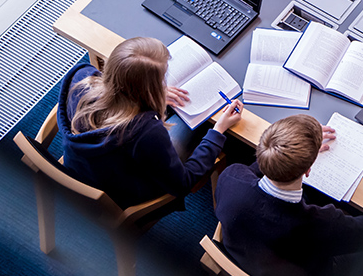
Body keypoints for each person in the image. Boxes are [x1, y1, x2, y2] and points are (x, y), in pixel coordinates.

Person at [215, 114, 363, 276]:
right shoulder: (320, 224)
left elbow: (255, 171)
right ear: (309, 170)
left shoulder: (231, 177)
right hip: (309, 269)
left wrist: (289, 150)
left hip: (247, 252)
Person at [57, 36, 243, 209]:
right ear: (148, 88)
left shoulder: (82, 77)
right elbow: (182, 184)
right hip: (122, 189)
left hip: (83, 166)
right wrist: (218, 130)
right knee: (200, 125)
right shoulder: (145, 133)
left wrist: (150, 94)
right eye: (161, 79)